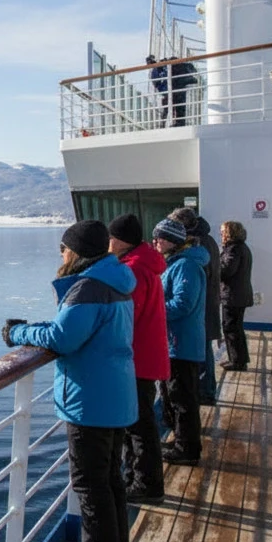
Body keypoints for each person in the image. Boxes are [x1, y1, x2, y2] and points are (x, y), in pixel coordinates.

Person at [4, 219, 136, 542]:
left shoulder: (88, 287)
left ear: (75, 251)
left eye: (63, 248)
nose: (60, 255)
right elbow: (75, 327)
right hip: (114, 394)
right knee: (109, 483)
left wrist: (17, 333)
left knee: (92, 486)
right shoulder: (115, 281)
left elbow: (63, 337)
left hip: (90, 401)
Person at [108, 213, 169, 505]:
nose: (107, 243)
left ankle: (147, 483)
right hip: (147, 355)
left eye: (110, 238)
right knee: (140, 423)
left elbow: (126, 318)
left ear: (119, 241)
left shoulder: (132, 271)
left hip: (137, 359)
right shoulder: (145, 264)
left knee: (139, 425)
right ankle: (137, 478)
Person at [154, 217, 208, 466]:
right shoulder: (176, 264)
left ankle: (187, 449)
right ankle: (181, 442)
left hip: (182, 344)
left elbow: (183, 304)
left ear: (173, 241)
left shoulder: (184, 266)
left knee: (182, 397)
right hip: (176, 343)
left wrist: (152, 311)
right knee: (175, 395)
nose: (156, 242)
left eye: (160, 238)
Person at [170, 208, 221, 405]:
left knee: (203, 350)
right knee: (204, 347)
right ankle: (206, 390)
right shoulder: (208, 241)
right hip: (208, 301)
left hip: (202, 305)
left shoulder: (197, 246)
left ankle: (205, 391)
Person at [219, 221, 254, 370]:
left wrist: (214, 269)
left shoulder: (233, 249)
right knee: (235, 328)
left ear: (229, 233)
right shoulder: (241, 248)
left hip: (233, 295)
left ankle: (237, 361)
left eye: (222, 232)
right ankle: (239, 359)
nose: (221, 234)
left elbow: (227, 271)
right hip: (238, 294)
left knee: (231, 327)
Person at [147, 54, 199, 127]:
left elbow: (157, 82)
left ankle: (165, 124)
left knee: (172, 107)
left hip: (174, 90)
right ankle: (171, 123)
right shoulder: (163, 68)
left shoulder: (171, 67)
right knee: (175, 107)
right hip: (174, 90)